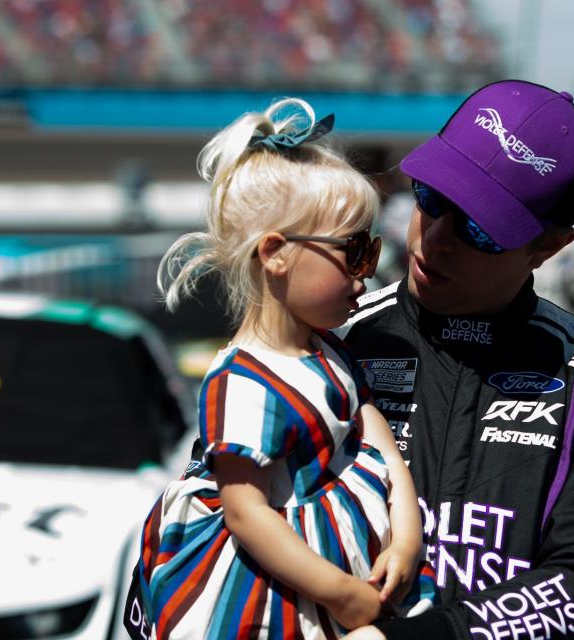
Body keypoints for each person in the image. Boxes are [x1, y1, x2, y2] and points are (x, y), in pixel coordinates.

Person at [338, 79, 574, 639]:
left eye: (479, 229)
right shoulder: (331, 338)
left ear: (550, 245)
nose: (437, 238)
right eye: (431, 197)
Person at [126, 98, 436, 639]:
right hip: (281, 601)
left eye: (372, 252)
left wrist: (407, 538)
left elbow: (385, 452)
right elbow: (246, 513)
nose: (368, 274)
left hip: (349, 588)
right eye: (354, 254)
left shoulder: (329, 351)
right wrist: (340, 593)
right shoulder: (243, 383)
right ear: (276, 253)